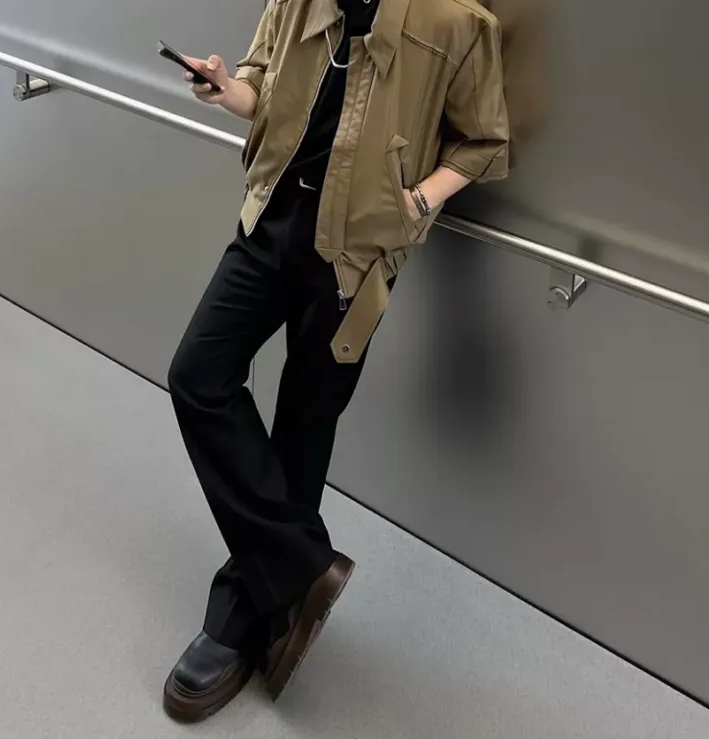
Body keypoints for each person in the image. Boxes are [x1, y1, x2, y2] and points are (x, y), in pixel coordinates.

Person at [164, 0, 509, 723]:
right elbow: (260, 87)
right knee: (197, 374)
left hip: (355, 261)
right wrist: (226, 89)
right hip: (268, 225)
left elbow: (482, 141)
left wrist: (416, 200)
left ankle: (240, 616)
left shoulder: (456, 22)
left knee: (305, 423)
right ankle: (301, 567)